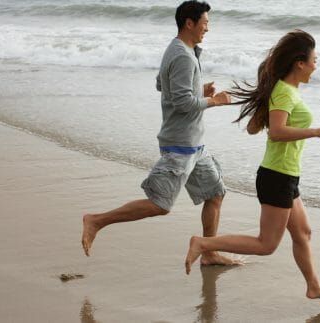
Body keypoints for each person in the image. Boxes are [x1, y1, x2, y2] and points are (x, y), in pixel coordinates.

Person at [185, 30, 320, 303]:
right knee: (266, 244)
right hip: (276, 176)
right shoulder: (283, 92)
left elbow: (253, 128)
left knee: (303, 232)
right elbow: (278, 133)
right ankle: (203, 244)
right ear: (299, 63)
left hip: (287, 175)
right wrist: (317, 131)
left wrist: (262, 109)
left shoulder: (284, 90)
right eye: (314, 60)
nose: (316, 65)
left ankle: (313, 286)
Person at [81, 1, 237, 267]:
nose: (207, 28)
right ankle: (97, 220)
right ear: (189, 23)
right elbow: (182, 103)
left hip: (195, 145)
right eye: (205, 23)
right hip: (179, 145)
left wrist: (199, 90)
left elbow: (160, 84)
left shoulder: (180, 49)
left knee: (215, 193)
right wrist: (215, 101)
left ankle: (209, 252)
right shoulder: (182, 55)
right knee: (160, 204)